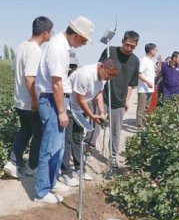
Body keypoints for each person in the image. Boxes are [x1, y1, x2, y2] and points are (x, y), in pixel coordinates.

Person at [34, 16, 95, 203]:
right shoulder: (59, 48)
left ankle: (50, 182)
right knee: (50, 148)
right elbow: (57, 84)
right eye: (84, 40)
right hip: (53, 101)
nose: (84, 44)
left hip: (57, 100)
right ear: (76, 35)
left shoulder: (61, 45)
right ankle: (41, 192)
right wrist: (62, 111)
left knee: (58, 147)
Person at [3, 16, 54, 179]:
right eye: (51, 32)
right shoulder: (35, 50)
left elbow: (14, 73)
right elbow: (30, 78)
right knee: (38, 132)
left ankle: (13, 162)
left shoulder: (21, 46)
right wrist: (34, 100)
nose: (51, 35)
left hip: (19, 99)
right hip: (29, 101)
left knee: (25, 130)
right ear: (45, 33)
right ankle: (32, 167)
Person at [60, 57, 119, 186]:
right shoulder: (85, 75)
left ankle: (78, 168)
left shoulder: (103, 78)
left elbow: (98, 94)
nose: (108, 78)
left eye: (111, 77)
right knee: (67, 139)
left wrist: (101, 113)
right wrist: (92, 115)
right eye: (108, 75)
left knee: (78, 138)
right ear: (102, 67)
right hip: (69, 105)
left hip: (79, 108)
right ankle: (65, 172)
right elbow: (80, 99)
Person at [87, 30, 140, 170]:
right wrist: (97, 91)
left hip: (120, 100)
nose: (129, 48)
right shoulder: (110, 51)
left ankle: (113, 156)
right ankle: (88, 148)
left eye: (132, 47)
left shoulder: (135, 61)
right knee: (96, 123)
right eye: (127, 44)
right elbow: (99, 69)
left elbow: (131, 84)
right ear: (122, 41)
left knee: (116, 130)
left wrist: (126, 101)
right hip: (103, 96)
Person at [136, 43, 158, 128]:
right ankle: (139, 125)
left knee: (146, 107)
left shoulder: (151, 62)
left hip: (149, 89)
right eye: (155, 50)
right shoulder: (144, 60)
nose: (156, 51)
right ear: (151, 50)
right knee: (141, 108)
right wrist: (148, 82)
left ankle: (143, 123)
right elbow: (139, 74)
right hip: (143, 89)